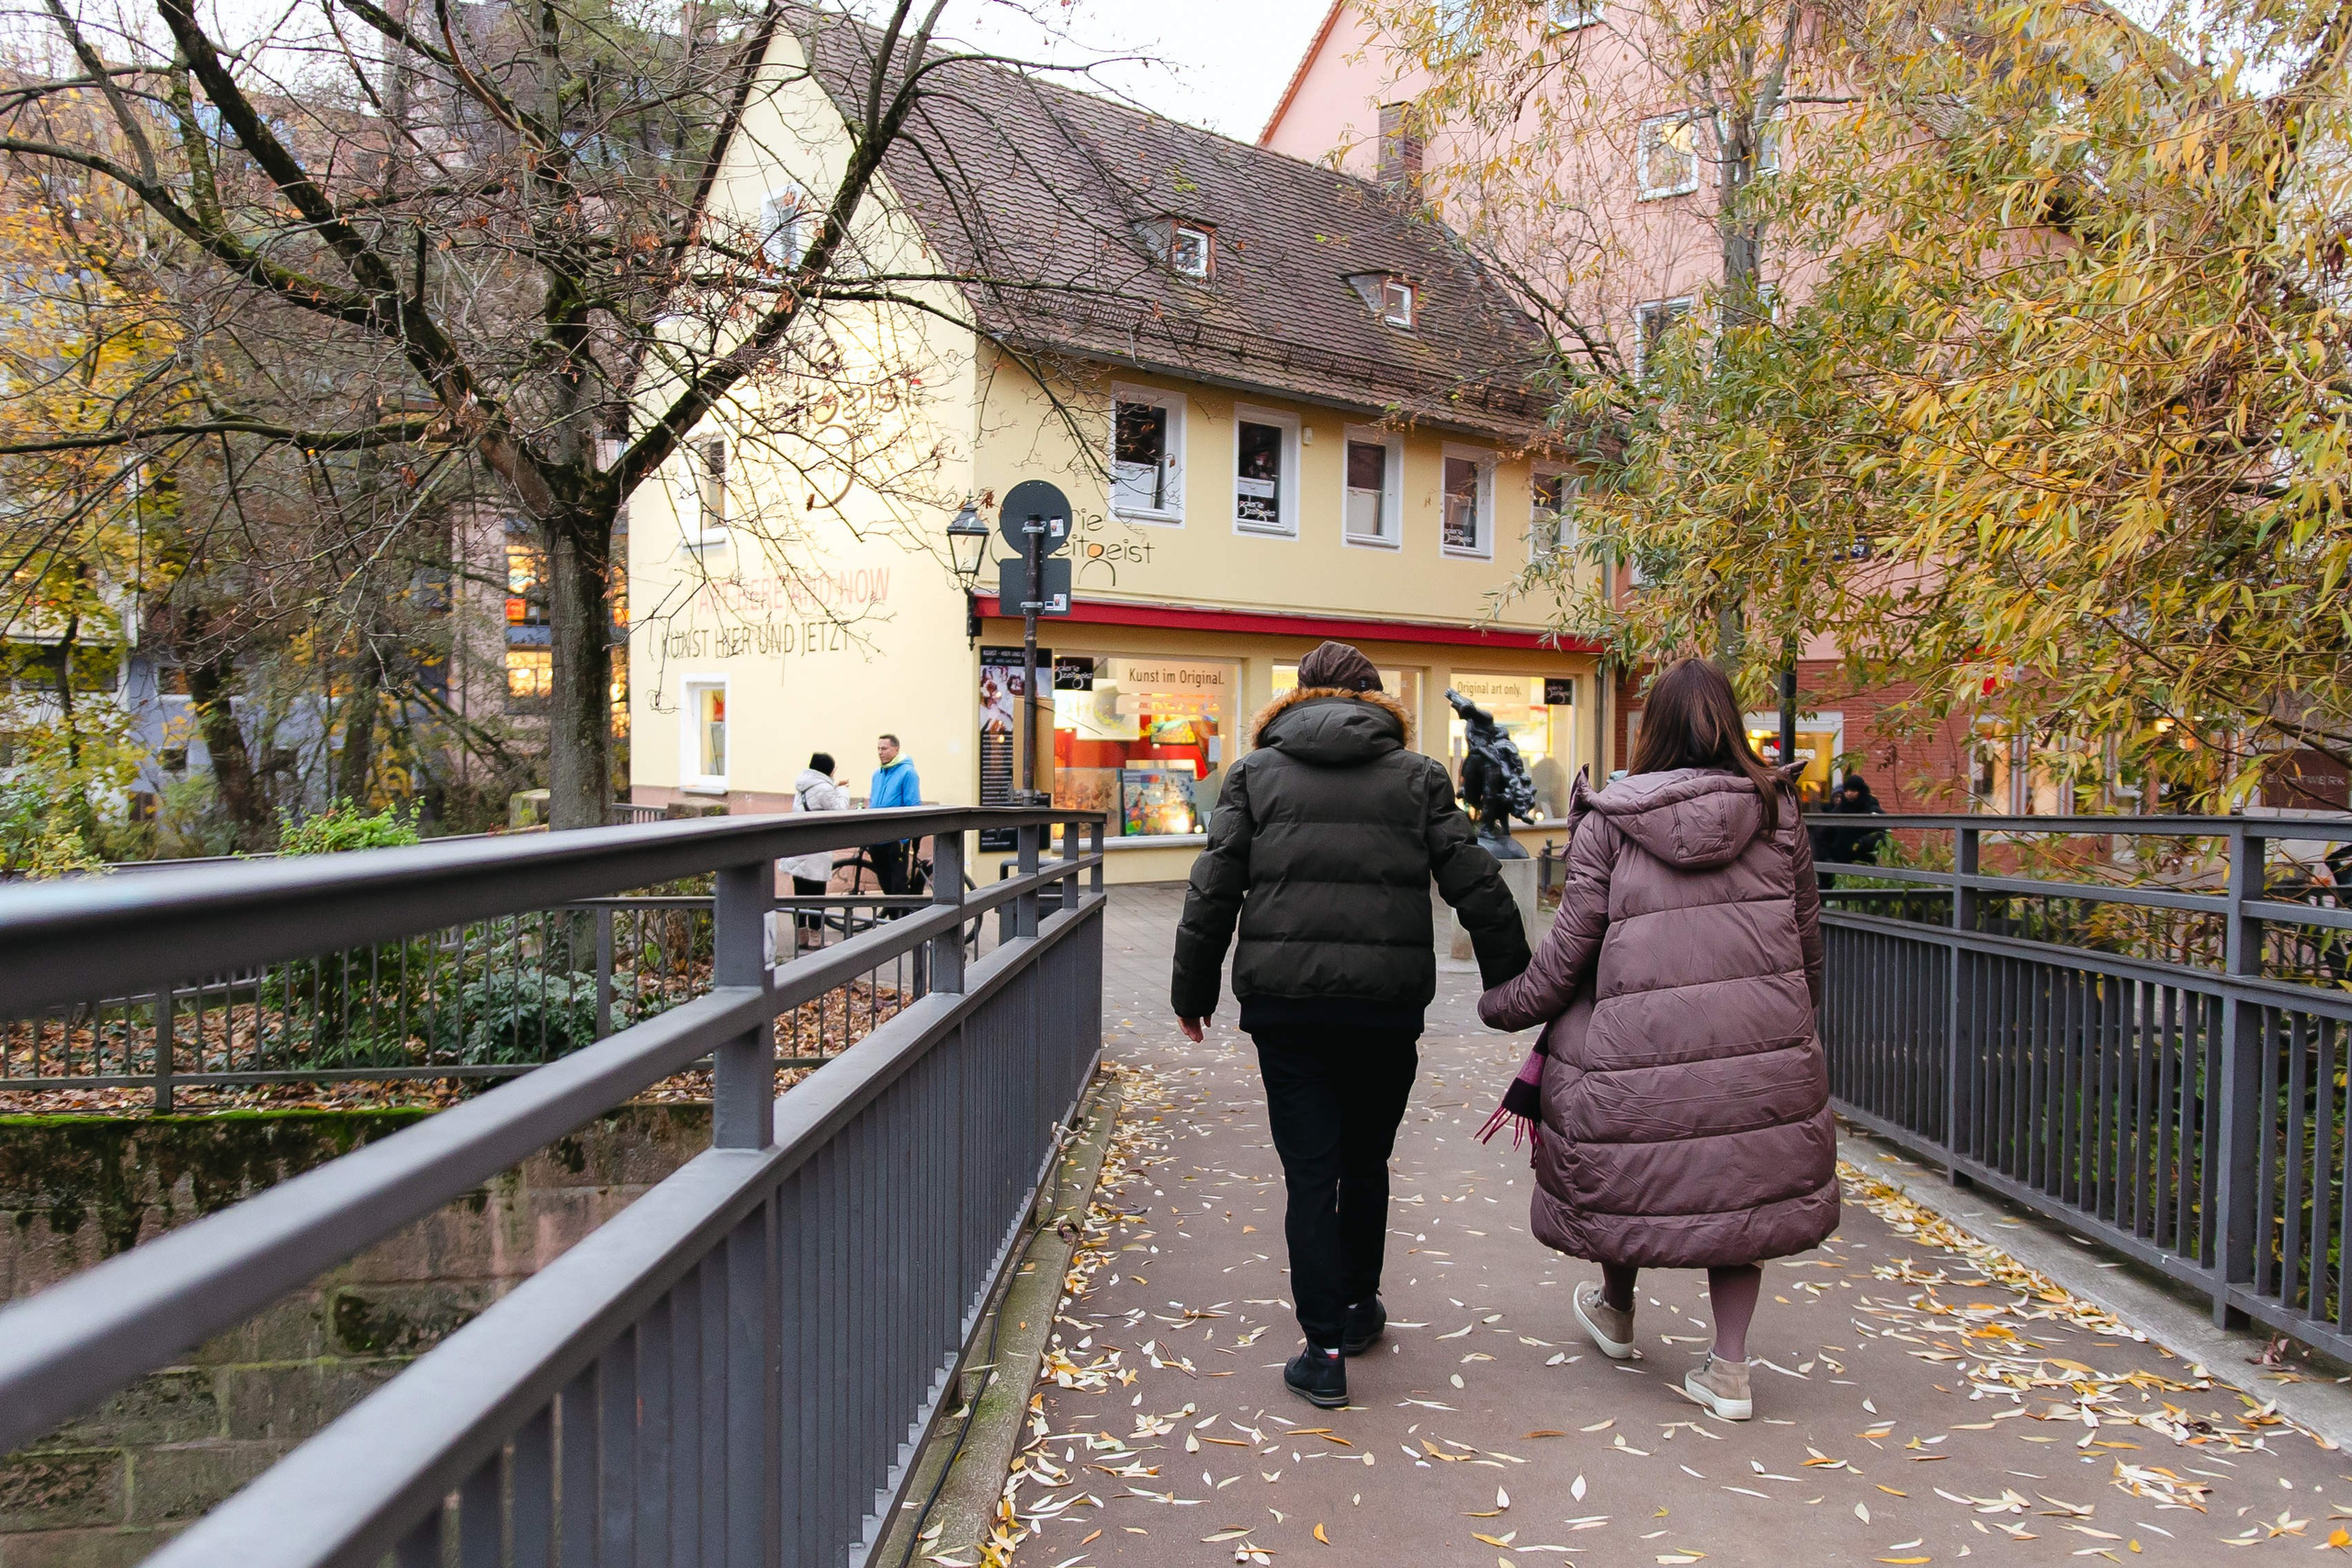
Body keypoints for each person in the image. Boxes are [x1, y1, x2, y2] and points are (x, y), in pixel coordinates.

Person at [1170, 640, 1532, 1409]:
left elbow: (1213, 888)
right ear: (1375, 698)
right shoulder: (1419, 777)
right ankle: (1361, 1309)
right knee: (1366, 1162)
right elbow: (1476, 879)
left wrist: (1191, 991)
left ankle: (1323, 1348)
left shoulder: (1254, 774)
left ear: (1299, 696)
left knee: (1310, 1173)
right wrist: (1513, 982)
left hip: (1286, 1008)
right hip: (1384, 1006)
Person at [1475, 657, 1838, 1422]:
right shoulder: (1779, 812)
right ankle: (1730, 1370)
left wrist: (1502, 1004)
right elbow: (1807, 945)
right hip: (1758, 1046)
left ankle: (1615, 1307)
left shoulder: (1610, 819)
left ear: (1653, 732)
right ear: (1732, 725)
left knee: (1626, 1158)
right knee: (1741, 1194)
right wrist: (1790, 1031)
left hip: (1635, 1051)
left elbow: (1569, 953)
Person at [786, 753, 850, 947]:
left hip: (798, 845)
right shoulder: (823, 788)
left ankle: (801, 937)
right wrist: (843, 791)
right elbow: (839, 810)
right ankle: (815, 938)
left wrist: (833, 787)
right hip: (815, 847)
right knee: (816, 894)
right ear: (827, 769)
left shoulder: (803, 785)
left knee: (800, 894)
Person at [1808, 773, 1889, 890]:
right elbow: (1823, 837)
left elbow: (1882, 834)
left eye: (1853, 790)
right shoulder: (1838, 811)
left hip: (1863, 864)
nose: (1849, 793)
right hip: (1839, 863)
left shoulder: (1872, 810)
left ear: (1860, 791)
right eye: (1846, 791)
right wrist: (1826, 858)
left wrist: (1865, 842)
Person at [865, 733, 922, 895]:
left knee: (898, 884)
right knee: (885, 882)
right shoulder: (877, 774)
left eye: (884, 748)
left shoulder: (908, 772)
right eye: (878, 748)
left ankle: (903, 918)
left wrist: (905, 836)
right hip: (877, 836)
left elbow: (913, 804)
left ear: (896, 749)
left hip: (897, 836)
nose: (880, 752)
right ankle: (893, 918)